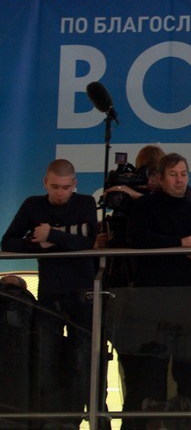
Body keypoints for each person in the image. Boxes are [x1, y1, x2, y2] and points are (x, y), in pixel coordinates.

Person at [120, 153, 191, 429]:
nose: (179, 180)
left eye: (183, 174)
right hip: (154, 303)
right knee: (150, 375)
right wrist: (179, 243)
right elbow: (138, 240)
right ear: (160, 179)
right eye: (173, 175)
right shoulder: (145, 207)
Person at [1, 158, 97, 429]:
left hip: (82, 292)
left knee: (82, 360)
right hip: (50, 293)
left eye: (66, 187)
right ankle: (48, 420)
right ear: (45, 183)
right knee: (45, 359)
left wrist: (50, 235)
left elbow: (89, 241)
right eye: (55, 187)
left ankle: (75, 420)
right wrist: (42, 245)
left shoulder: (85, 203)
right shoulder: (33, 205)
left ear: (74, 184)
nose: (60, 193)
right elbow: (8, 241)